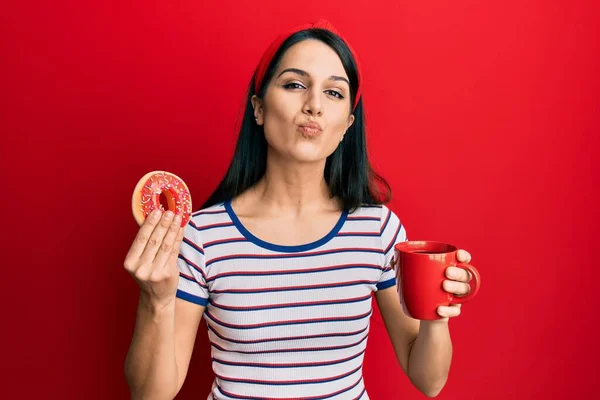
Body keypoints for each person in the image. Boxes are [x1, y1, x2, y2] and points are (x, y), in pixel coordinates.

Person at [123, 20, 474, 400]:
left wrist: (438, 312)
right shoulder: (202, 236)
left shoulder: (378, 230)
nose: (315, 106)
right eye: (294, 85)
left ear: (346, 126)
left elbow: (429, 381)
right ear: (258, 107)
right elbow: (151, 395)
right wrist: (155, 301)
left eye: (335, 93)